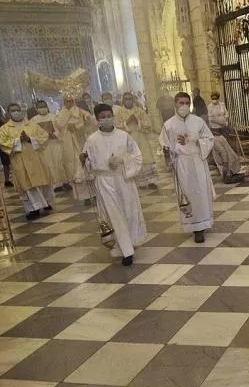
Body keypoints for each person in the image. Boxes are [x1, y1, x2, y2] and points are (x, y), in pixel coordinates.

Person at [79, 104, 147, 266]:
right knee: (113, 214)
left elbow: (137, 155)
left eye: (109, 115)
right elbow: (88, 161)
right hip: (104, 181)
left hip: (124, 178)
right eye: (102, 117)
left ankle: (129, 242)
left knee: (129, 211)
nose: (107, 119)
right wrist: (84, 161)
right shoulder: (92, 139)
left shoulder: (123, 136)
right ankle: (125, 250)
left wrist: (123, 161)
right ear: (97, 120)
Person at [160, 92, 215, 244]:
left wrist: (196, 140)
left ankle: (202, 226)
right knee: (188, 194)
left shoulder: (198, 122)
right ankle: (193, 226)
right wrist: (166, 152)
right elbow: (165, 144)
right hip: (182, 164)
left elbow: (209, 139)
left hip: (197, 161)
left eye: (186, 103)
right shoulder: (169, 125)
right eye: (180, 103)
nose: (183, 106)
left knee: (201, 194)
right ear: (175, 104)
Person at [0, 103, 55, 221]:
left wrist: (29, 139)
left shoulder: (31, 124)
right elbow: (3, 143)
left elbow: (44, 136)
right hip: (20, 160)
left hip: (36, 158)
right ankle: (33, 209)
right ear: (9, 113)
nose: (16, 112)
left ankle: (46, 202)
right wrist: (18, 140)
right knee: (27, 185)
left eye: (18, 110)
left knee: (42, 181)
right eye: (13, 110)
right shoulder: (5, 129)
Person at [57, 95, 96, 204]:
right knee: (75, 170)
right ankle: (85, 198)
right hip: (69, 145)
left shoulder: (80, 111)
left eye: (71, 101)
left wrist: (80, 125)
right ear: (64, 102)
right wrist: (68, 127)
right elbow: (59, 126)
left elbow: (90, 121)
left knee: (88, 167)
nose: (69, 103)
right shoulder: (61, 113)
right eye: (67, 101)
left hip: (81, 142)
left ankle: (94, 194)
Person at [116, 92, 159, 190]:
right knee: (133, 159)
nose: (128, 100)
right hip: (128, 138)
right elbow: (117, 126)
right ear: (123, 100)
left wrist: (138, 121)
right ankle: (139, 182)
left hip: (141, 137)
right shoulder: (119, 112)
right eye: (126, 99)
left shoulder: (139, 111)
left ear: (133, 99)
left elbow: (148, 123)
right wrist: (126, 123)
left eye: (130, 98)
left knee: (145, 158)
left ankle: (150, 181)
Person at [30, 99, 71, 192]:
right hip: (44, 146)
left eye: (44, 106)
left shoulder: (53, 117)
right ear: (36, 109)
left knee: (60, 162)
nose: (42, 108)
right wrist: (43, 137)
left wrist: (55, 134)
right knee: (49, 164)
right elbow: (33, 134)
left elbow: (60, 129)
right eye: (40, 107)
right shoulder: (33, 120)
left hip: (55, 143)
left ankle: (65, 182)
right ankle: (55, 184)